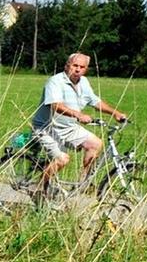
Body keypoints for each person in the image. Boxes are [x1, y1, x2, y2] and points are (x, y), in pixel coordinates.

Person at [31, 52, 127, 190]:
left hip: (69, 128)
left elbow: (95, 101)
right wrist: (78, 115)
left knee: (96, 144)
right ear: (67, 66)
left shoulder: (84, 82)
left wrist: (115, 113)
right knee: (62, 159)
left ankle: (82, 184)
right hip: (47, 128)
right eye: (74, 65)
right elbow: (55, 105)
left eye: (82, 67)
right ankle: (39, 188)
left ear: (86, 69)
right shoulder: (55, 81)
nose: (77, 69)